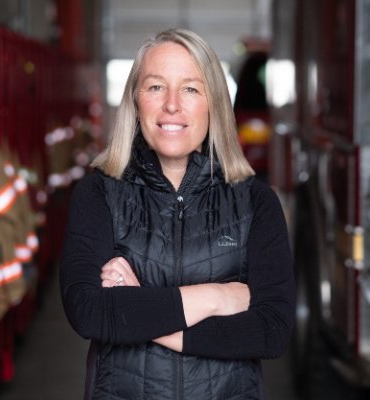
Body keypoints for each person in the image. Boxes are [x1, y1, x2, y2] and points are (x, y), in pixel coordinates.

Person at [60, 28, 295, 400]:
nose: (172, 105)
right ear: (135, 100)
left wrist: (138, 306)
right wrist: (218, 297)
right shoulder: (98, 194)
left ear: (214, 102)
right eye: (156, 87)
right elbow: (89, 312)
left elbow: (271, 330)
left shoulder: (256, 201)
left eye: (190, 89)